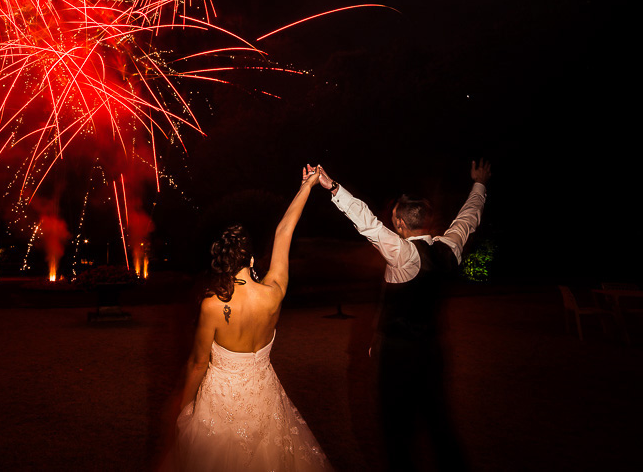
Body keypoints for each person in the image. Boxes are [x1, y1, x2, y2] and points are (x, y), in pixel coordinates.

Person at [316, 160, 491, 471]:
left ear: (399, 224)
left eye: (393, 218)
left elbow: (366, 221)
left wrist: (333, 187)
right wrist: (479, 183)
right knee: (439, 423)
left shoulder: (403, 254)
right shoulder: (450, 246)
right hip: (433, 351)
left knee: (396, 430)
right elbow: (469, 217)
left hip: (397, 355)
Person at [175, 165, 333, 471]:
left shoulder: (212, 306)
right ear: (250, 258)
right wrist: (308, 186)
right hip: (265, 397)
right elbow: (285, 230)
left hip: (218, 406)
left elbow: (197, 363)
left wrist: (184, 409)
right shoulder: (274, 292)